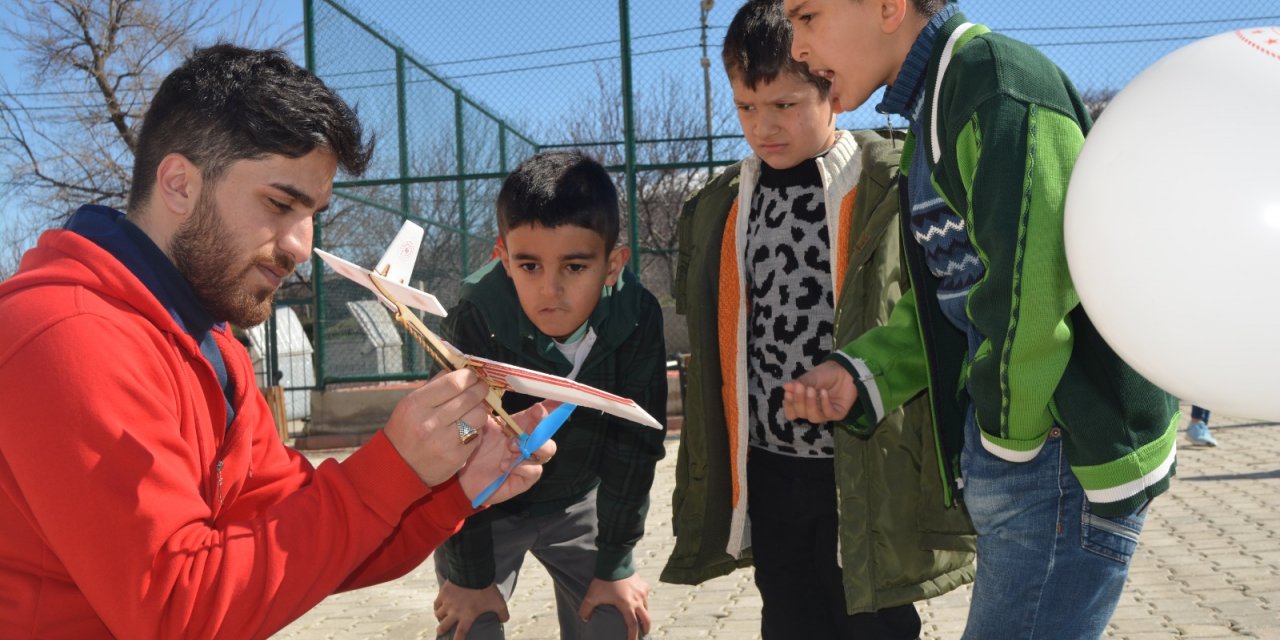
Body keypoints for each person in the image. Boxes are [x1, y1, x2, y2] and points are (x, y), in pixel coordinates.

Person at [0, 44, 555, 639]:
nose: (299, 245)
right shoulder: (66, 339)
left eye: (312, 211)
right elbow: (175, 613)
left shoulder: (209, 344)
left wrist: (450, 488)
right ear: (180, 184)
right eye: (279, 203)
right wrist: (390, 470)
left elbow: (303, 540)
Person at [781, 1, 1181, 638]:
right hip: (1031, 456)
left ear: (887, 7)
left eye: (807, 16)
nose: (796, 46)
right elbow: (957, 295)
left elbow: (1032, 289)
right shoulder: (936, 103)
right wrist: (863, 371)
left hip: (1056, 456)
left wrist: (1004, 444)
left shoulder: (992, 85)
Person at [660, 2, 973, 638]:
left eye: (784, 105)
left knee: (875, 615)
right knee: (788, 608)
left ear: (831, 89)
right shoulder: (722, 204)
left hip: (861, 460)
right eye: (747, 107)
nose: (763, 126)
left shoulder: (887, 181)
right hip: (770, 460)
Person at [430, 150, 668, 640]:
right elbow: (454, 452)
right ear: (503, 258)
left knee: (617, 622)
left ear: (611, 264)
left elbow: (637, 445)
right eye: (530, 265)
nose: (550, 290)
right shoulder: (475, 318)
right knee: (468, 626)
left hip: (581, 502)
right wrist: (470, 578)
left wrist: (617, 561)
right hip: (486, 511)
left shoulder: (637, 315)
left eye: (575, 266)